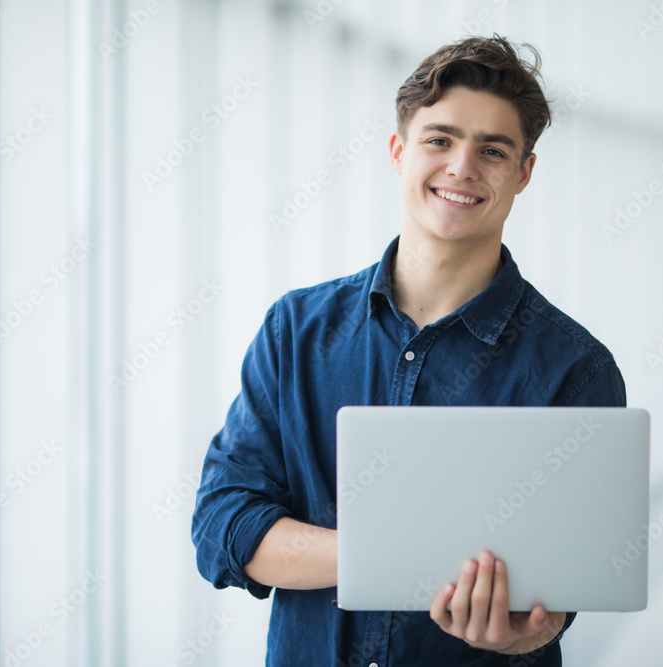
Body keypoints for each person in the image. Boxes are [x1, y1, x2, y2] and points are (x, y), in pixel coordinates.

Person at [191, 34, 626, 666]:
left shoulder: (574, 369)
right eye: (440, 139)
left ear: (524, 173)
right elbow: (222, 527)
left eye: (493, 150)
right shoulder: (296, 331)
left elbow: (562, 597)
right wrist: (398, 556)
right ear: (399, 152)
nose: (462, 167)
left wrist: (519, 635)